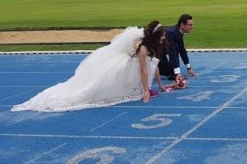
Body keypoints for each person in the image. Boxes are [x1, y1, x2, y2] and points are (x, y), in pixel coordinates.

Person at [12, 20, 168, 112]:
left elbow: (153, 64)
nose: (164, 37)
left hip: (133, 63)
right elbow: (143, 69)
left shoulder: (150, 46)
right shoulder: (143, 49)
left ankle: (142, 89)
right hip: (125, 66)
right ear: (156, 36)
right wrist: (146, 91)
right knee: (96, 88)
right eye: (162, 35)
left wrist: (160, 84)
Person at [158, 14, 197, 84]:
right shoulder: (172, 33)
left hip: (161, 50)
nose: (192, 27)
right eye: (190, 25)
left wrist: (189, 68)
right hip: (154, 50)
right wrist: (177, 74)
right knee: (169, 71)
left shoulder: (178, 32)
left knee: (172, 69)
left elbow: (182, 50)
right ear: (182, 25)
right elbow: (172, 53)